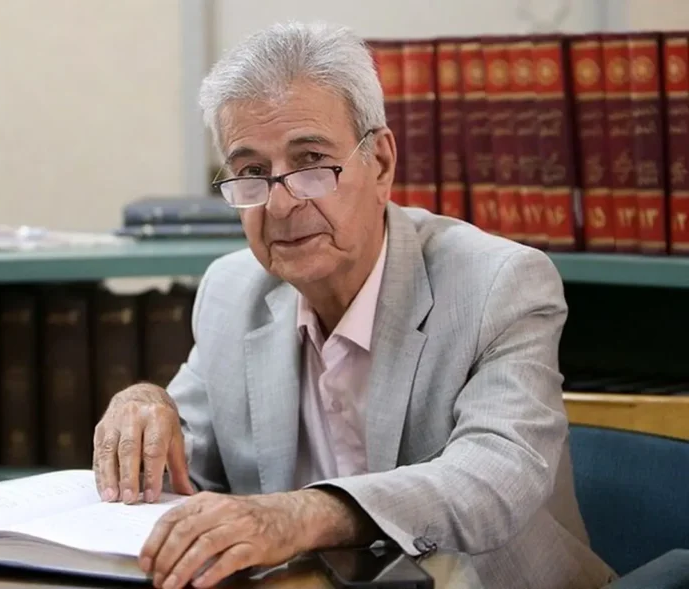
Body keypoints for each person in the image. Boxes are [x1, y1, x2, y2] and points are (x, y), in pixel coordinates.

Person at [93, 21, 615, 589]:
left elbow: (495, 478)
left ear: (381, 164)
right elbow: (187, 457)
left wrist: (304, 515)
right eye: (252, 173)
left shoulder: (497, 283)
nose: (281, 204)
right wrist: (146, 407)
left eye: (311, 162)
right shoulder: (231, 291)